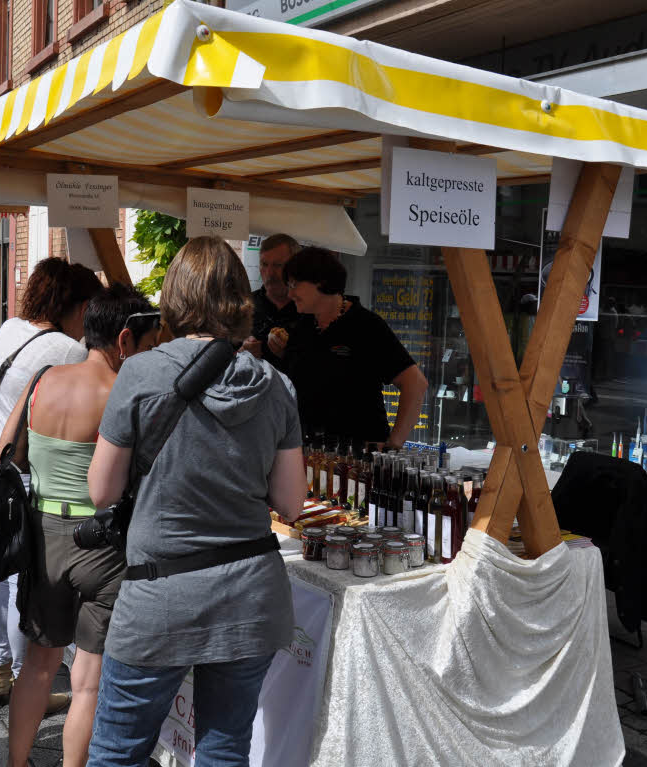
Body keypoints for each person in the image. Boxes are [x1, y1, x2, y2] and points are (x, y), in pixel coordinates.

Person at [85, 236, 306, 767]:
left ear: (174, 296)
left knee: (118, 751)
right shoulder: (277, 385)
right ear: (240, 299)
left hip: (161, 591)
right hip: (251, 591)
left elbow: (102, 491)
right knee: (224, 749)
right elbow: (291, 503)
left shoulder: (140, 372)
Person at [0, 284, 160, 767]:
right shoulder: (126, 394)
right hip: (105, 546)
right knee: (88, 680)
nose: (152, 353)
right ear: (124, 340)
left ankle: (15, 762)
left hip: (44, 537)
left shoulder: (42, 379)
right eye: (150, 343)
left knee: (38, 667)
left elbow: (9, 453)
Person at [0, 258, 104, 711]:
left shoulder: (10, 328)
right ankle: (20, 678)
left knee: (4, 572)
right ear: (81, 305)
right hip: (23, 472)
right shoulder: (67, 352)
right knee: (22, 581)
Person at [281, 246, 428, 449]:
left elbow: (415, 383)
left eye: (294, 284)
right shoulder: (302, 326)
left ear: (321, 282)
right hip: (309, 452)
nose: (289, 293)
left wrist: (393, 444)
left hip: (357, 457)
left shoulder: (366, 326)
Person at [243, 233, 301, 369]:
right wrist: (243, 354)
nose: (269, 273)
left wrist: (287, 355)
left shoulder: (308, 309)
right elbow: (222, 361)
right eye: (264, 264)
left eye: (278, 265)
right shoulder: (244, 306)